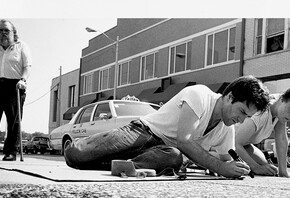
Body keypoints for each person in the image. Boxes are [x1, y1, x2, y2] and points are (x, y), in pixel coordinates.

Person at [64, 75, 270, 178]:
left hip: (163, 152)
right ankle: (97, 152)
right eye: (242, 112)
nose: (242, 120)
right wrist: (220, 167)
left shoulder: (227, 128)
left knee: (174, 157)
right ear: (230, 97)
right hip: (144, 133)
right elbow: (185, 141)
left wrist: (239, 168)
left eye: (247, 117)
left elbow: (225, 161)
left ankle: (125, 164)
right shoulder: (200, 95)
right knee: (76, 157)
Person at [235, 89, 290, 177]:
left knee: (266, 166)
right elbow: (236, 143)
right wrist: (255, 167)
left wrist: (283, 172)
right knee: (243, 167)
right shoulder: (260, 113)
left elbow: (282, 139)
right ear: (282, 99)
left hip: (246, 145)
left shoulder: (280, 113)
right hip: (226, 142)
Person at [0, 19, 32, 161]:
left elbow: (27, 66)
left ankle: (11, 152)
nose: (3, 33)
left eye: (6, 30)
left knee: (13, 120)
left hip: (15, 85)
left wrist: (23, 80)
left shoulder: (21, 46)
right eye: (0, 31)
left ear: (14, 33)